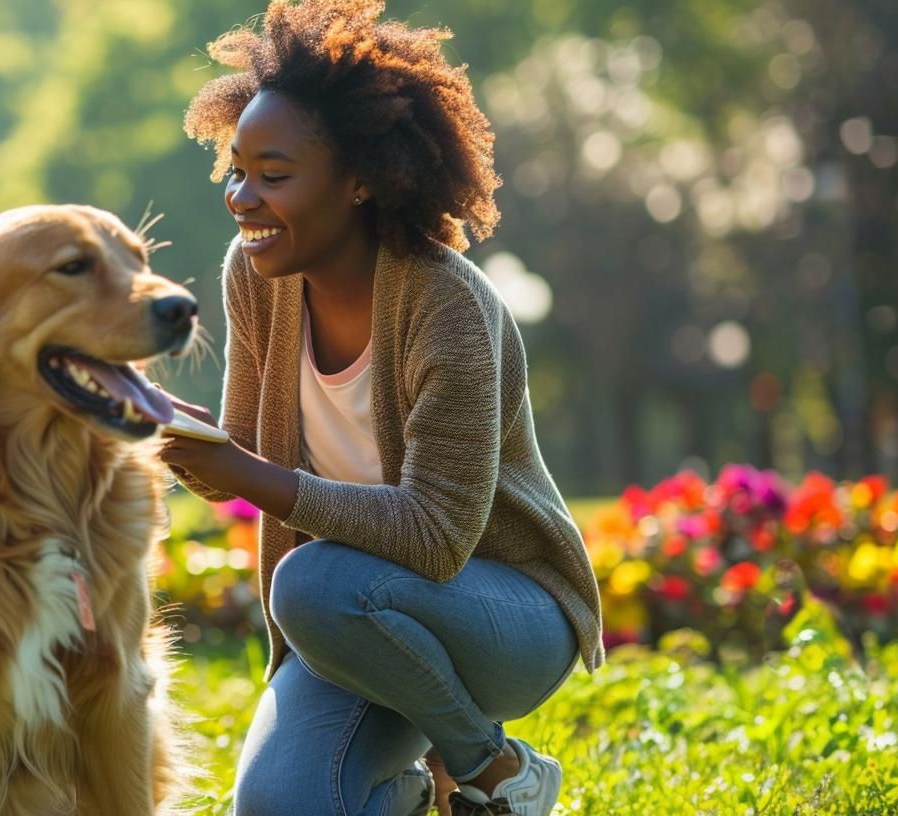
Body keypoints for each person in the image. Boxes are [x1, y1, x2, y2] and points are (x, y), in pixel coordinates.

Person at [158, 1, 605, 815]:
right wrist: (157, 425)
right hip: (347, 616)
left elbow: (436, 538)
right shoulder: (254, 276)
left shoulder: (449, 308)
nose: (241, 197)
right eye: (236, 168)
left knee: (309, 580)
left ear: (361, 179)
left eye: (274, 174)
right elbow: (233, 468)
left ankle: (493, 768)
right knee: (277, 807)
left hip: (502, 613)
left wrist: (249, 474)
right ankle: (414, 789)